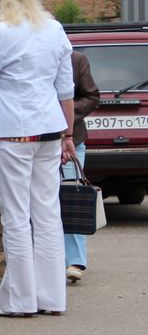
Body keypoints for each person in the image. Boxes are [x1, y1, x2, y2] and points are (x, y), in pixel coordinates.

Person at [0, 0, 77, 318]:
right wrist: (68, 133)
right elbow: (65, 89)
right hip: (50, 129)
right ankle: (52, 298)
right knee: (48, 214)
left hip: (13, 130)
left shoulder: (0, 33)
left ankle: (20, 301)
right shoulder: (54, 29)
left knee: (16, 217)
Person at [63, 51, 100, 282]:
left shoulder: (76, 60)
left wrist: (67, 113)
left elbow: (92, 96)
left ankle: (75, 260)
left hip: (72, 139)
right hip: (37, 141)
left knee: (71, 196)